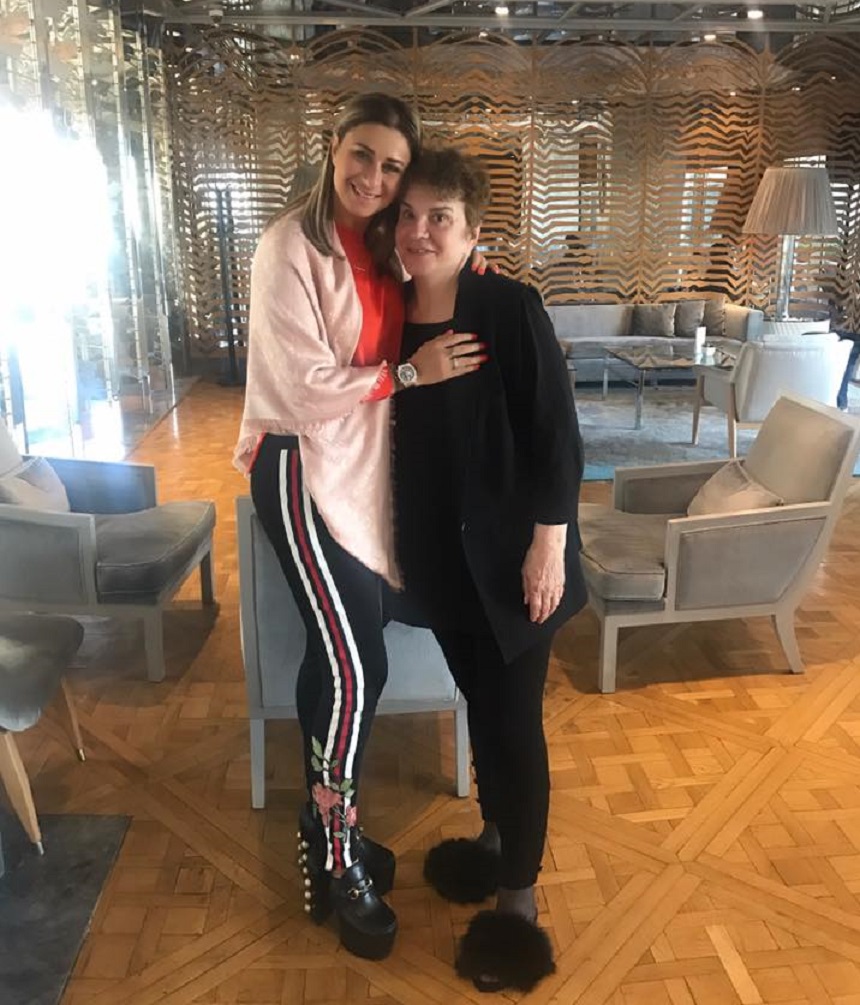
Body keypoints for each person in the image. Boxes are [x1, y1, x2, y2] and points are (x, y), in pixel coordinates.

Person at [233, 94, 486, 961]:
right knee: (356, 663)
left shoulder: (379, 249)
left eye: (392, 166)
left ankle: (319, 822)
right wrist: (408, 377)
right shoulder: (289, 247)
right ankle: (340, 855)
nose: (375, 178)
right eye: (363, 155)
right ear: (332, 148)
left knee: (333, 652)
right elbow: (300, 386)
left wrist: (468, 269)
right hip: (299, 463)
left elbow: (426, 292)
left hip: (354, 466)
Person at [391, 147, 587, 993]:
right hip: (441, 562)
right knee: (481, 706)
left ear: (472, 231)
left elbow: (557, 434)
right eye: (408, 214)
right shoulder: (388, 314)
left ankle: (518, 903)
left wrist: (549, 543)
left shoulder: (508, 306)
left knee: (513, 723)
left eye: (440, 216)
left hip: (515, 562)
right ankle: (496, 835)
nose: (420, 230)